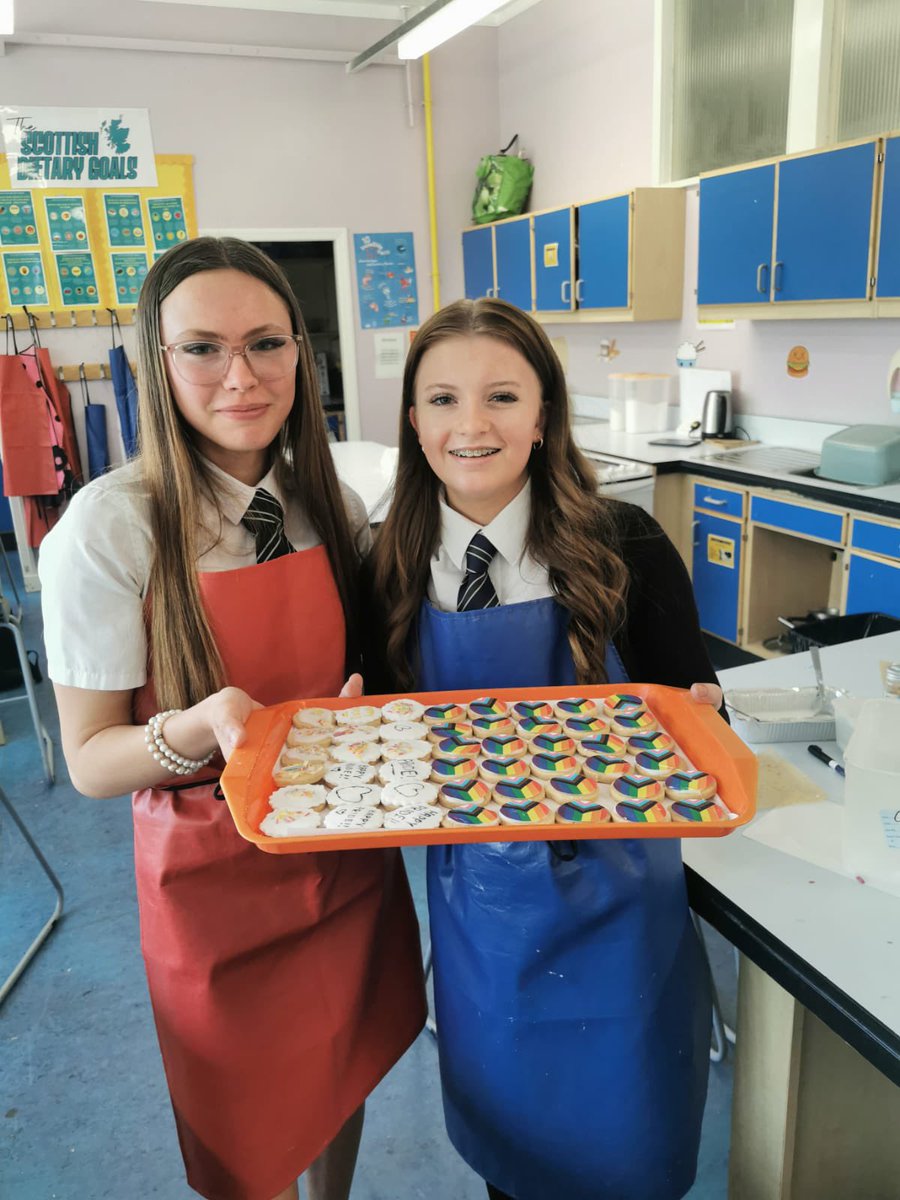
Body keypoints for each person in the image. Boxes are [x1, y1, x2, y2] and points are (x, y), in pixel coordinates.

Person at [39, 237, 426, 1200]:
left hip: (342, 856)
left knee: (341, 1076)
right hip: (214, 884)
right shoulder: (109, 526)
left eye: (266, 343)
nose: (242, 376)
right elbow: (90, 760)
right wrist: (201, 727)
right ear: (156, 362)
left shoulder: (323, 501)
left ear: (302, 352)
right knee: (241, 1133)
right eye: (203, 347)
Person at [367, 297, 724, 1200]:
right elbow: (385, 741)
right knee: (517, 1156)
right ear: (413, 422)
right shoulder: (387, 564)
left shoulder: (627, 547)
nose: (471, 425)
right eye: (442, 400)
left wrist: (702, 719)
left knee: (628, 1142)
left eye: (502, 397)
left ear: (545, 416)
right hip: (484, 912)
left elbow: (693, 710)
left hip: (624, 909)